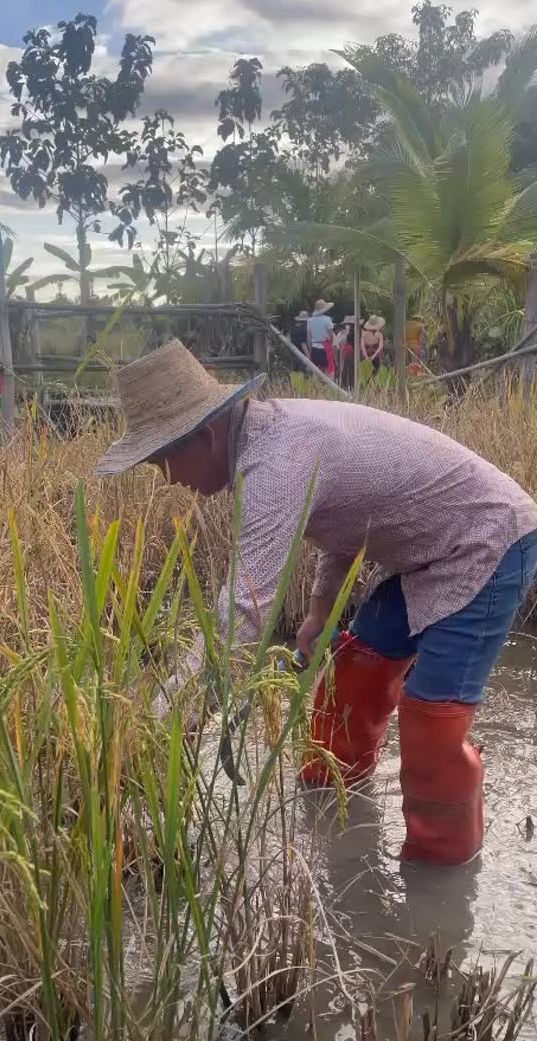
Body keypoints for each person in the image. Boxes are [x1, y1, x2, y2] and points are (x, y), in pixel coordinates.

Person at [97, 339, 537, 867]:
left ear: (205, 437)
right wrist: (320, 610)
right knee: (351, 678)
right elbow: (347, 521)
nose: (167, 480)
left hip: (489, 539)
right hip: (427, 550)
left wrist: (157, 724)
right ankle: (331, 818)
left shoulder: (275, 462)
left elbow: (243, 618)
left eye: (162, 463)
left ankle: (440, 881)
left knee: (430, 728)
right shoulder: (270, 439)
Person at [307, 299, 335, 377]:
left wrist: (310, 349)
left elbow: (309, 337)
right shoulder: (327, 319)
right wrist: (331, 344)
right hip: (325, 347)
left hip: (314, 347)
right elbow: (331, 335)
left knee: (315, 371)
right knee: (329, 370)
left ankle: (316, 388)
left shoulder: (310, 320)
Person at [334, 317, 355, 389]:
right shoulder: (343, 332)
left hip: (348, 350)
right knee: (345, 368)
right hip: (347, 349)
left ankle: (347, 385)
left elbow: (336, 344)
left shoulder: (352, 332)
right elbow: (337, 343)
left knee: (346, 368)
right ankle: (346, 385)